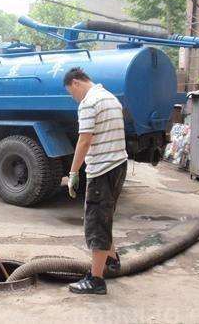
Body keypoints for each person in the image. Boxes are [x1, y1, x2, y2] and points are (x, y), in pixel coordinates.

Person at [64, 67, 128, 295]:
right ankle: (112, 260)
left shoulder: (89, 102)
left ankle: (96, 280)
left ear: (75, 83)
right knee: (105, 216)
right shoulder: (110, 97)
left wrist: (73, 173)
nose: (74, 98)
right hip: (119, 165)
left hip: (102, 170)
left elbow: (84, 141)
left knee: (96, 223)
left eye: (71, 93)